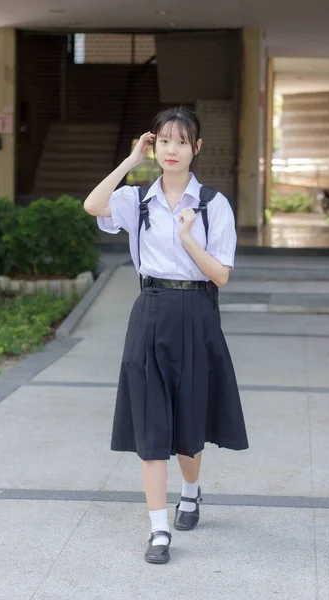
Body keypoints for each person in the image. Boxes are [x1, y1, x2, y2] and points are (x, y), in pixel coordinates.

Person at [84, 106, 249, 565]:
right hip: (150, 310)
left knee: (190, 417)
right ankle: (159, 530)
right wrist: (128, 162)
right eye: (162, 141)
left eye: (181, 141)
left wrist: (189, 238)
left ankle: (191, 492)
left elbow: (220, 277)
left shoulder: (213, 204)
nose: (171, 150)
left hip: (197, 312)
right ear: (152, 145)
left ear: (196, 148)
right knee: (151, 420)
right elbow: (93, 206)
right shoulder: (136, 199)